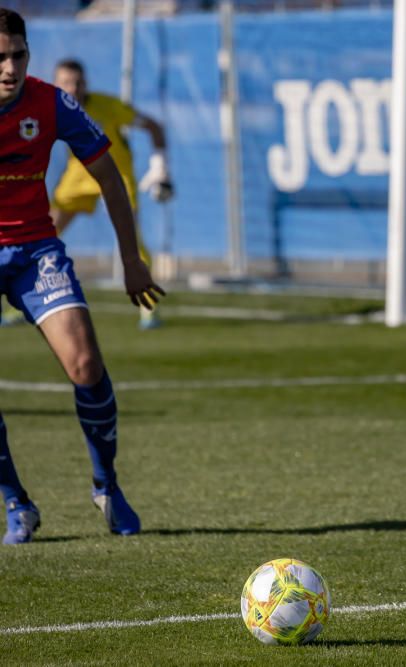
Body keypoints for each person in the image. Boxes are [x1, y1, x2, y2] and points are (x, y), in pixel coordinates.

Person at [0, 8, 165, 544]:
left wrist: (132, 260)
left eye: (17, 55)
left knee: (86, 363)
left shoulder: (50, 102)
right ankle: (16, 503)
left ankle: (106, 485)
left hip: (34, 250)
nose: (9, 68)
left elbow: (109, 177)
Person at [50, 58, 172, 330]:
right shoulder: (50, 108)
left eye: (78, 82)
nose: (73, 88)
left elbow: (154, 127)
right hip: (78, 175)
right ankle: (16, 306)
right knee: (42, 234)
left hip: (116, 177)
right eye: (66, 82)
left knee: (132, 241)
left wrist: (159, 167)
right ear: (56, 85)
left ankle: (147, 308)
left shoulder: (108, 106)